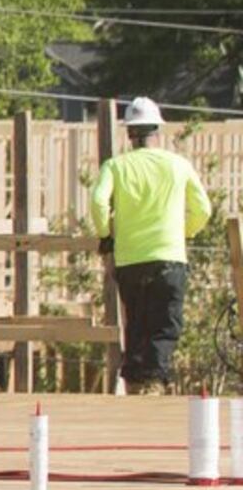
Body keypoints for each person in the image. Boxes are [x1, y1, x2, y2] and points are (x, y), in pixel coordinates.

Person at [87, 99, 213, 391]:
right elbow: (203, 209)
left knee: (137, 325)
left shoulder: (116, 166)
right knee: (164, 328)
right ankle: (155, 386)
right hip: (170, 258)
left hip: (130, 259)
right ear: (157, 129)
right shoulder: (178, 165)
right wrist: (184, 234)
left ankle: (134, 385)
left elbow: (97, 201)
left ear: (129, 133)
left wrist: (106, 233)